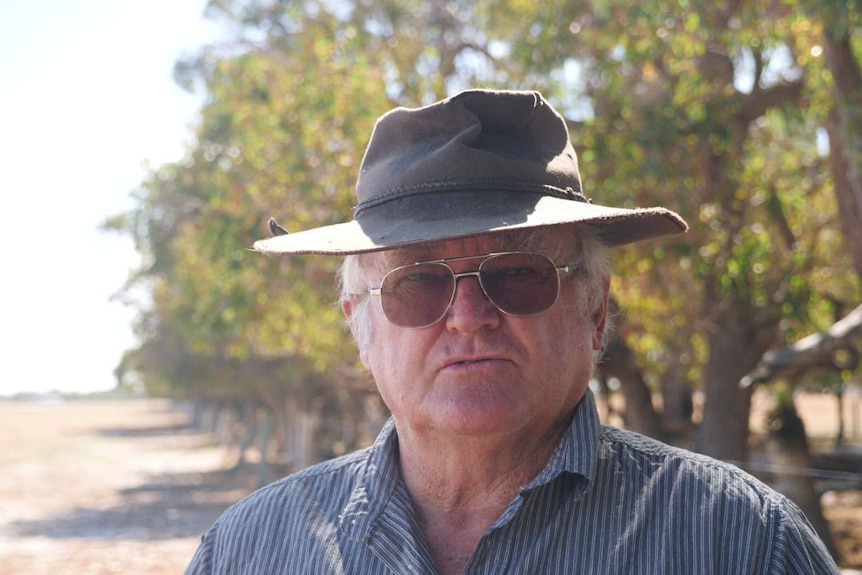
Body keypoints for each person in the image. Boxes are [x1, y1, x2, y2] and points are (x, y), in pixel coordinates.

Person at [185, 89, 839, 574]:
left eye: (519, 273)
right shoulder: (247, 549)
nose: (469, 316)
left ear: (596, 309)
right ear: (361, 325)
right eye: (419, 282)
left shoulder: (746, 544)